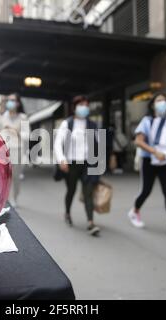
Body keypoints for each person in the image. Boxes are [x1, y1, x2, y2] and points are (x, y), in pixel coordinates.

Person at [127, 93, 166, 239]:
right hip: (149, 161)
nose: (162, 103)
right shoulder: (147, 121)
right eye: (159, 100)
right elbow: (138, 141)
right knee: (146, 190)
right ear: (153, 105)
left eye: (164, 100)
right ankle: (134, 211)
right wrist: (155, 152)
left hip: (165, 161)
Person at [54, 95, 101, 236]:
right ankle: (67, 213)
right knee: (71, 190)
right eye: (81, 105)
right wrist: (62, 159)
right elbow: (57, 143)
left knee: (88, 192)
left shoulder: (92, 124)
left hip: (88, 163)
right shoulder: (67, 124)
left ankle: (91, 223)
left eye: (87, 105)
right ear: (74, 107)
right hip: (71, 163)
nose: (84, 108)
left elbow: (98, 144)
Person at [0, 93, 29, 208]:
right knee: (4, 175)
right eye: (9, 100)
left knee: (15, 176)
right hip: (4, 149)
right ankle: (5, 198)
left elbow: (27, 136)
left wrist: (15, 130)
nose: (10, 102)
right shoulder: (3, 117)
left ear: (17, 103)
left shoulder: (23, 118)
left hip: (18, 149)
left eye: (13, 100)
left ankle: (14, 197)